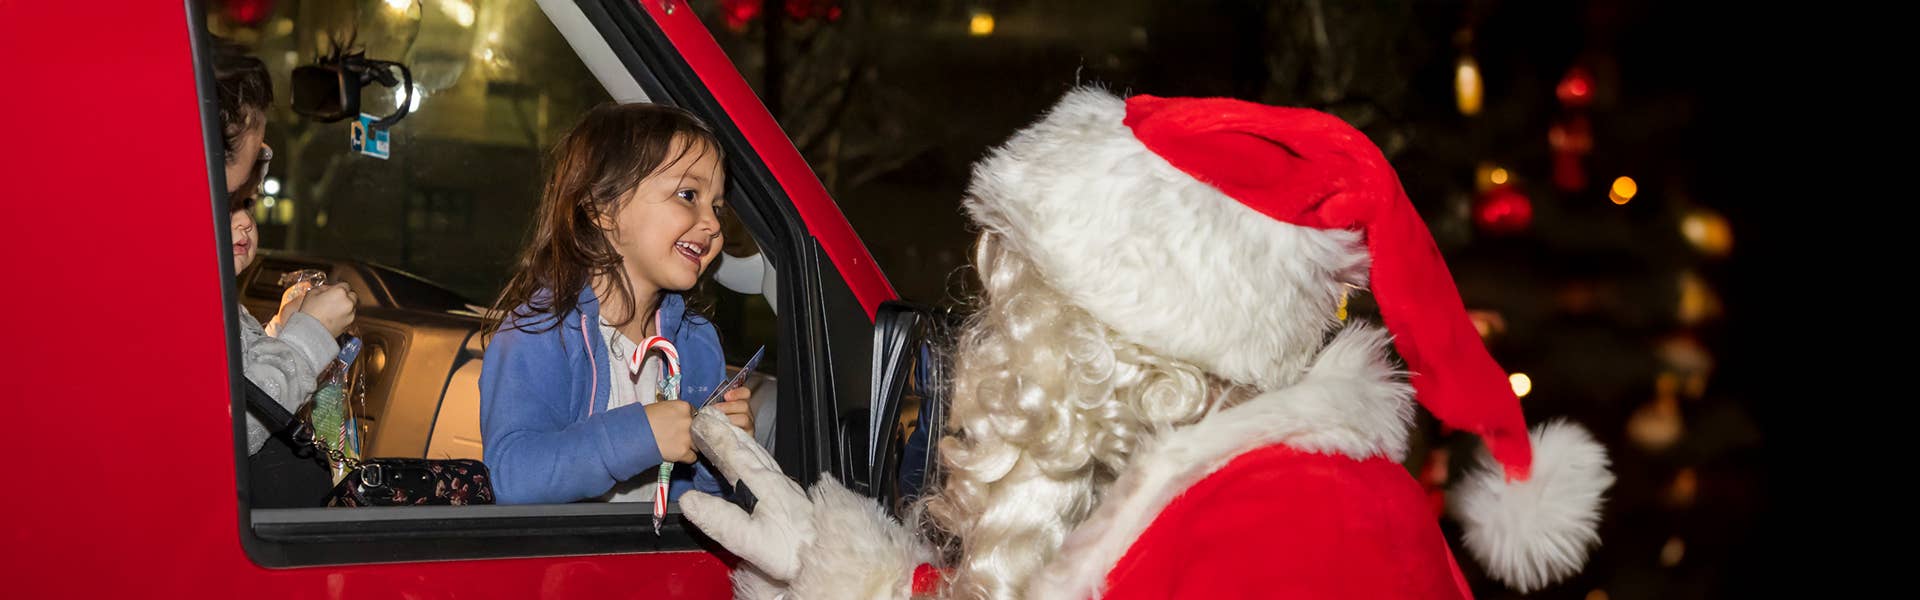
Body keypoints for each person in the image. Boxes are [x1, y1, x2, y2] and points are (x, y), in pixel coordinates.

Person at [680, 88, 1615, 598]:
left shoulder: (1302, 524)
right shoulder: (1204, 489)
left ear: (1116, 341)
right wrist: (848, 575)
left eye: (1026, 309)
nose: (988, 355)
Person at [481, 103, 753, 505]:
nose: (713, 223)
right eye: (688, 195)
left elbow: (706, 505)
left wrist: (727, 454)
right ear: (602, 209)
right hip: (565, 565)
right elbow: (511, 477)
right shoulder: (538, 333)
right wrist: (640, 436)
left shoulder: (696, 345)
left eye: (716, 206)